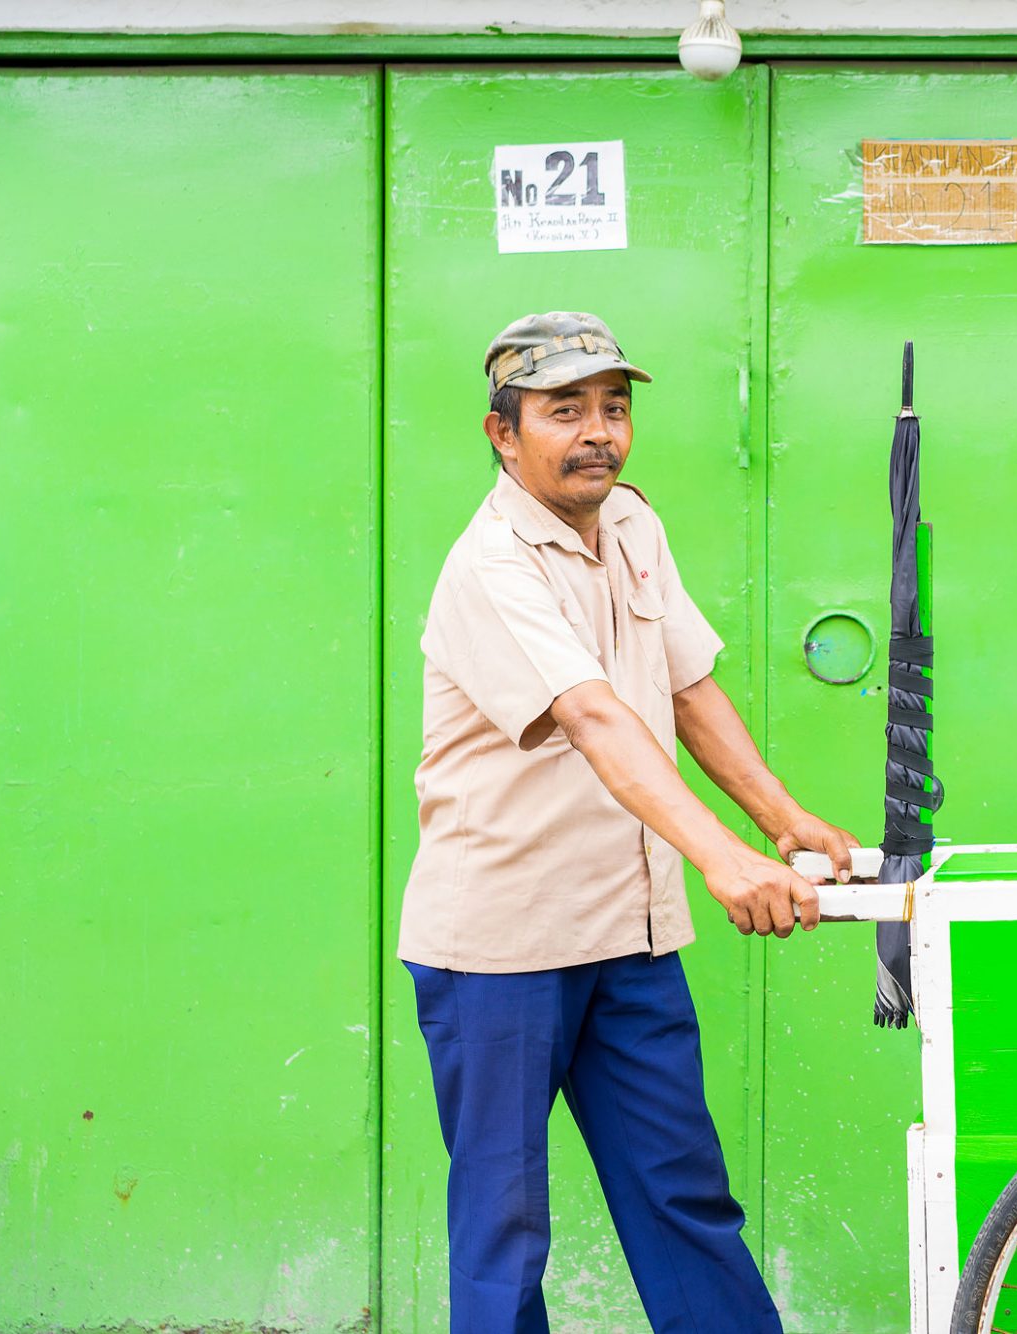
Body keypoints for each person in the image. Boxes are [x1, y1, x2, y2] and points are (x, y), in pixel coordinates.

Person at [397, 311, 861, 1333]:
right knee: (504, 1225)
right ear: (502, 433)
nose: (598, 431)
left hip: (631, 932)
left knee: (684, 1195)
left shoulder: (634, 526)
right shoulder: (491, 565)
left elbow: (685, 684)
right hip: (502, 944)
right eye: (565, 410)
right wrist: (726, 859)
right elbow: (594, 714)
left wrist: (782, 818)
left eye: (614, 407)